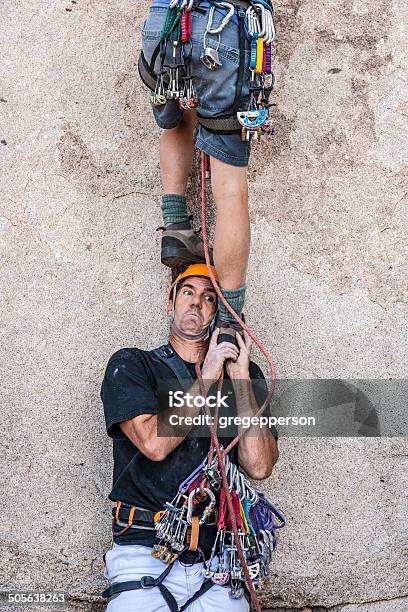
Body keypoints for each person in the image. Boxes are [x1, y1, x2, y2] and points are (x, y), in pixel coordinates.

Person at [101, 263, 279, 611]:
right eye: (188, 292)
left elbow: (258, 466)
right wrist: (209, 372)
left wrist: (239, 377)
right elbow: (154, 444)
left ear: (216, 314)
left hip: (219, 559)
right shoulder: (133, 366)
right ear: (172, 301)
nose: (196, 303)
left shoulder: (242, 378)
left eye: (209, 297)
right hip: (144, 551)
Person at [138, 0, 259, 343]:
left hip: (164, 23)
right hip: (221, 30)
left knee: (179, 106)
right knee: (230, 185)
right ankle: (230, 321)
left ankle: (175, 225)